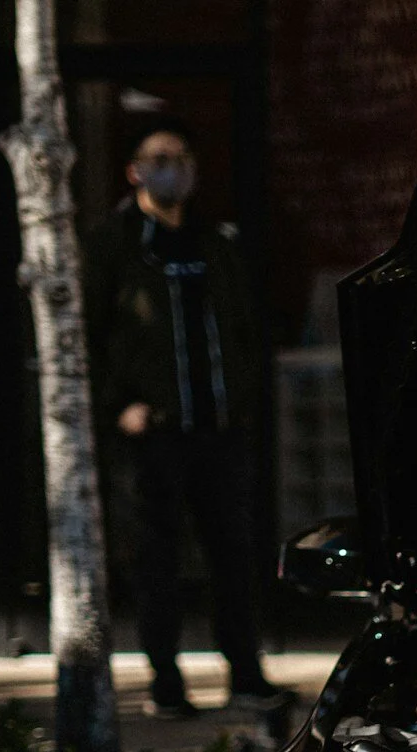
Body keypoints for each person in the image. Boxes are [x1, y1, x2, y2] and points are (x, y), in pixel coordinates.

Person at [86, 125, 290, 720]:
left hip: (220, 430)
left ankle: (246, 675)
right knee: (157, 561)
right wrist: (118, 404)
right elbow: (87, 337)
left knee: (233, 554)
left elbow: (247, 328)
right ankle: (166, 683)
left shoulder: (215, 242)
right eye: (157, 159)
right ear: (134, 171)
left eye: (180, 158)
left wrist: (246, 399)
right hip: (154, 435)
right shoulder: (114, 244)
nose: (170, 169)